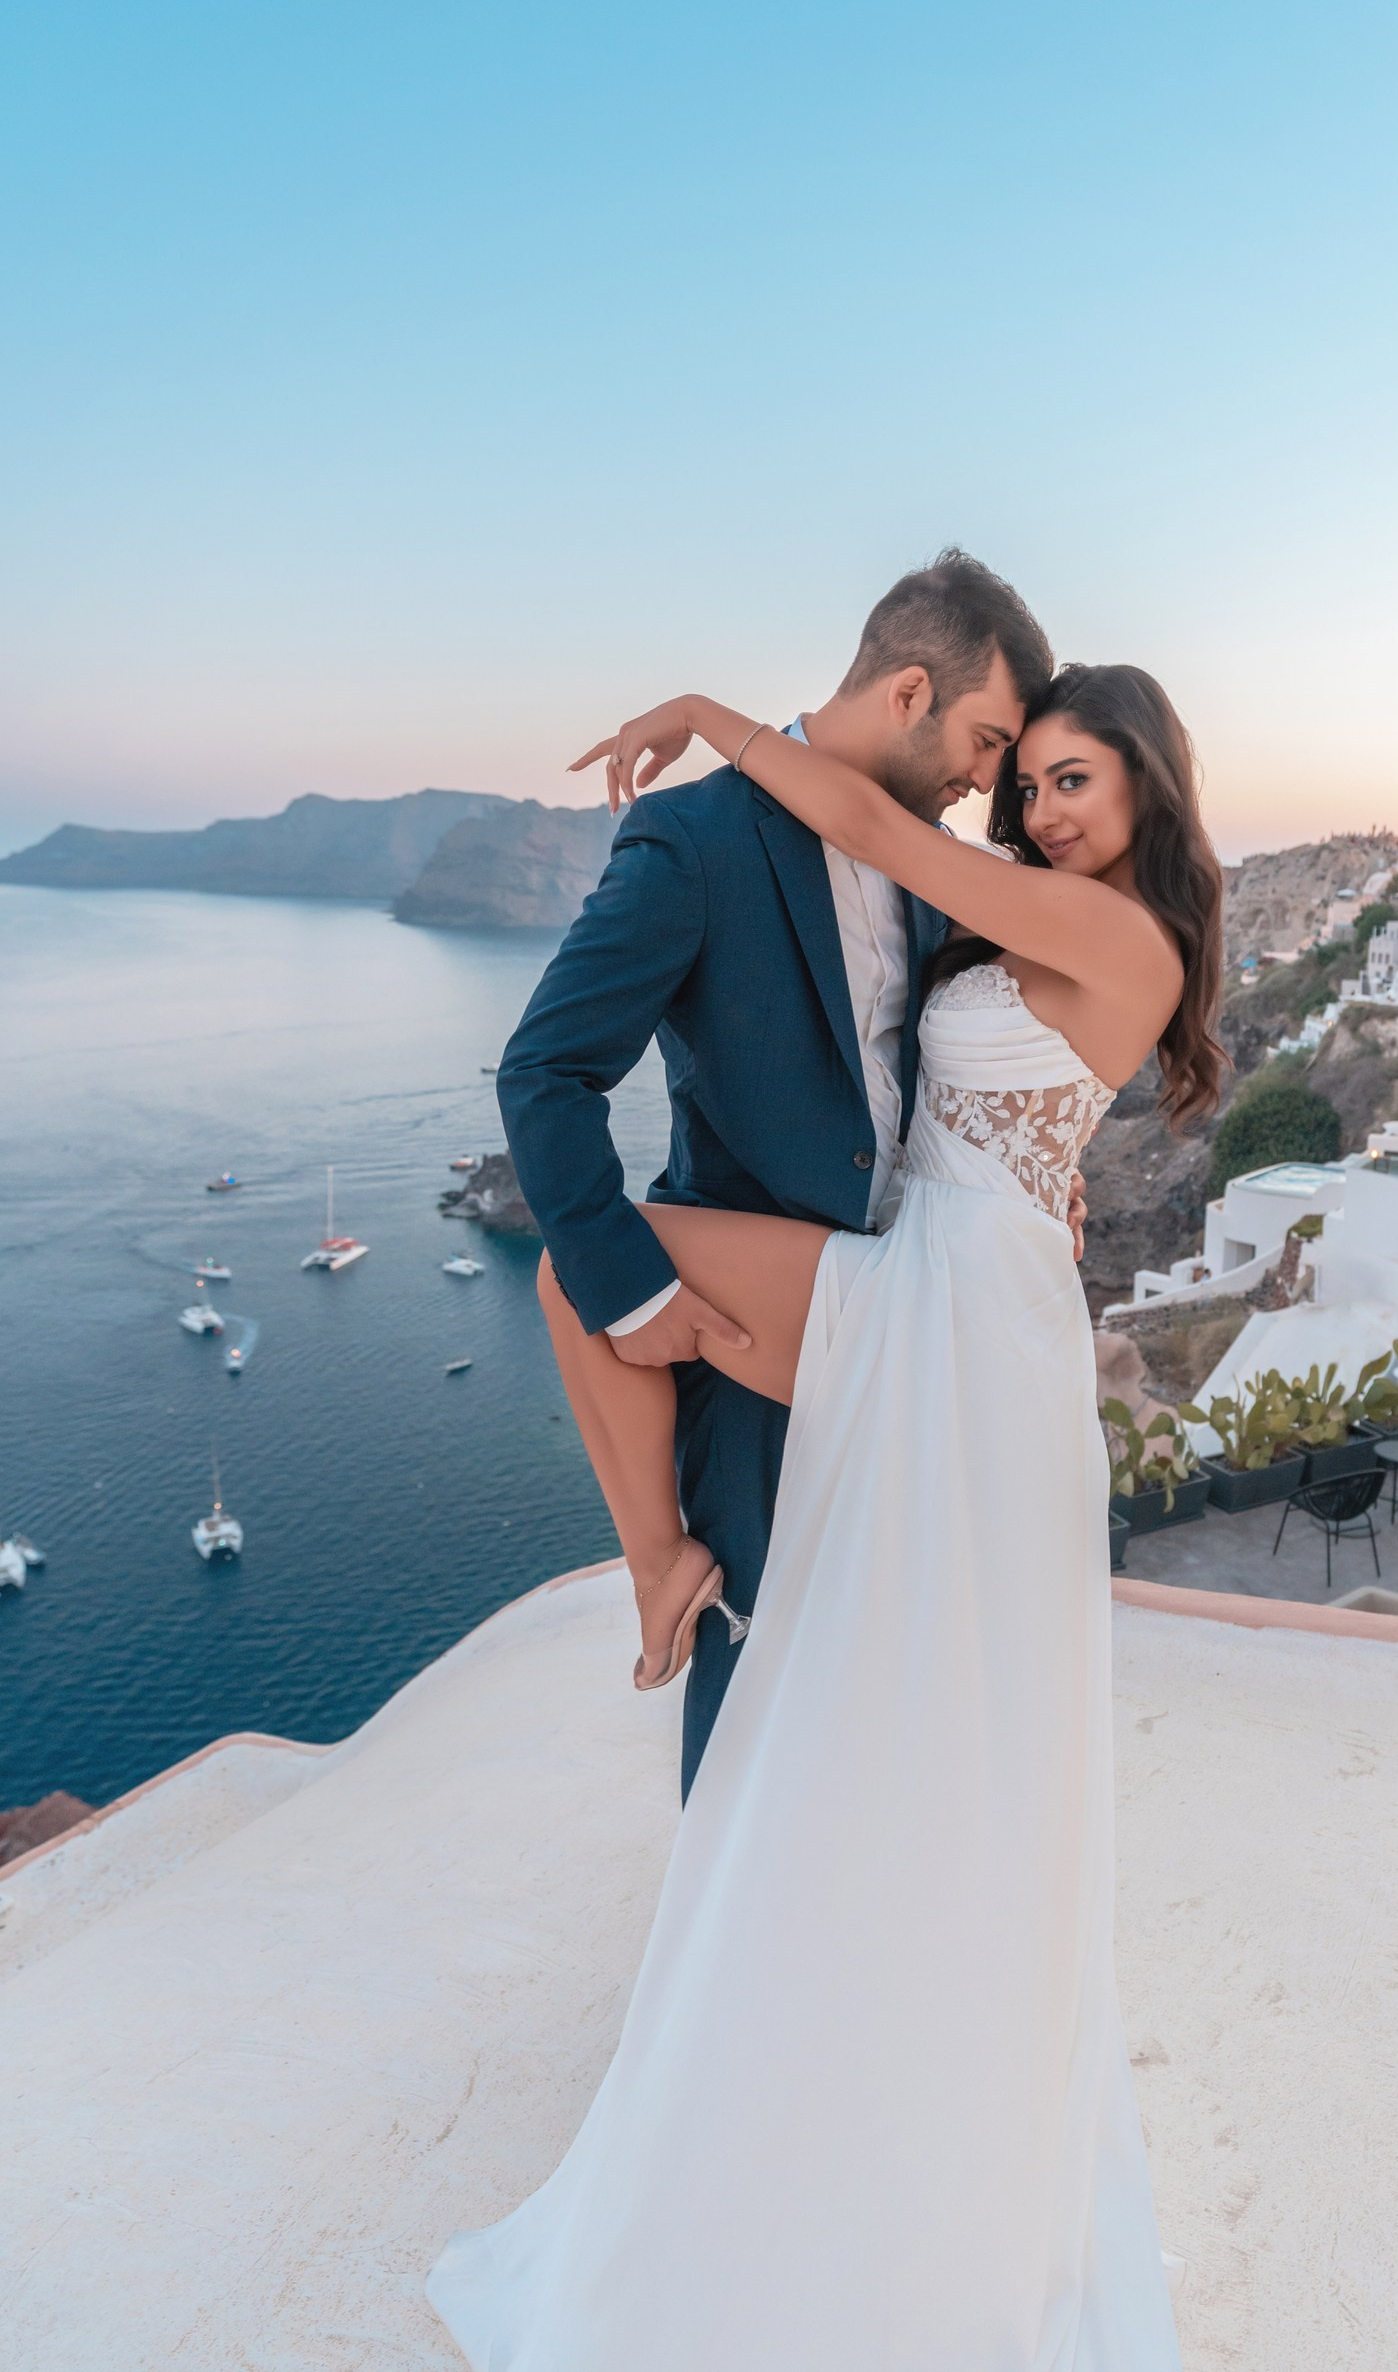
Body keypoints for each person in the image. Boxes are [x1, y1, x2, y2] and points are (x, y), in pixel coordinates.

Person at [428, 658, 1225, 2370]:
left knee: (597, 1278)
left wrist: (708, 714)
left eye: (1073, 780)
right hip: (932, 1273)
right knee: (625, 1306)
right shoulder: (1032, 925)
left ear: (1151, 788)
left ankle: (663, 1573)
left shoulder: (1126, 938)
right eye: (1029, 784)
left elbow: (864, 816)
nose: (1039, 809)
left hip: (957, 1305)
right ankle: (669, 1574)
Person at [493, 550, 1056, 1791]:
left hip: (907, 1318)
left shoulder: (922, 858)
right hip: (746, 1342)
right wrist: (634, 1296)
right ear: (910, 691)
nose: (985, 778)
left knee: (877, 1676)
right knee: (745, 1688)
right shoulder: (695, 838)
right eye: (984, 737)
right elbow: (543, 1073)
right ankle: (720, 1965)